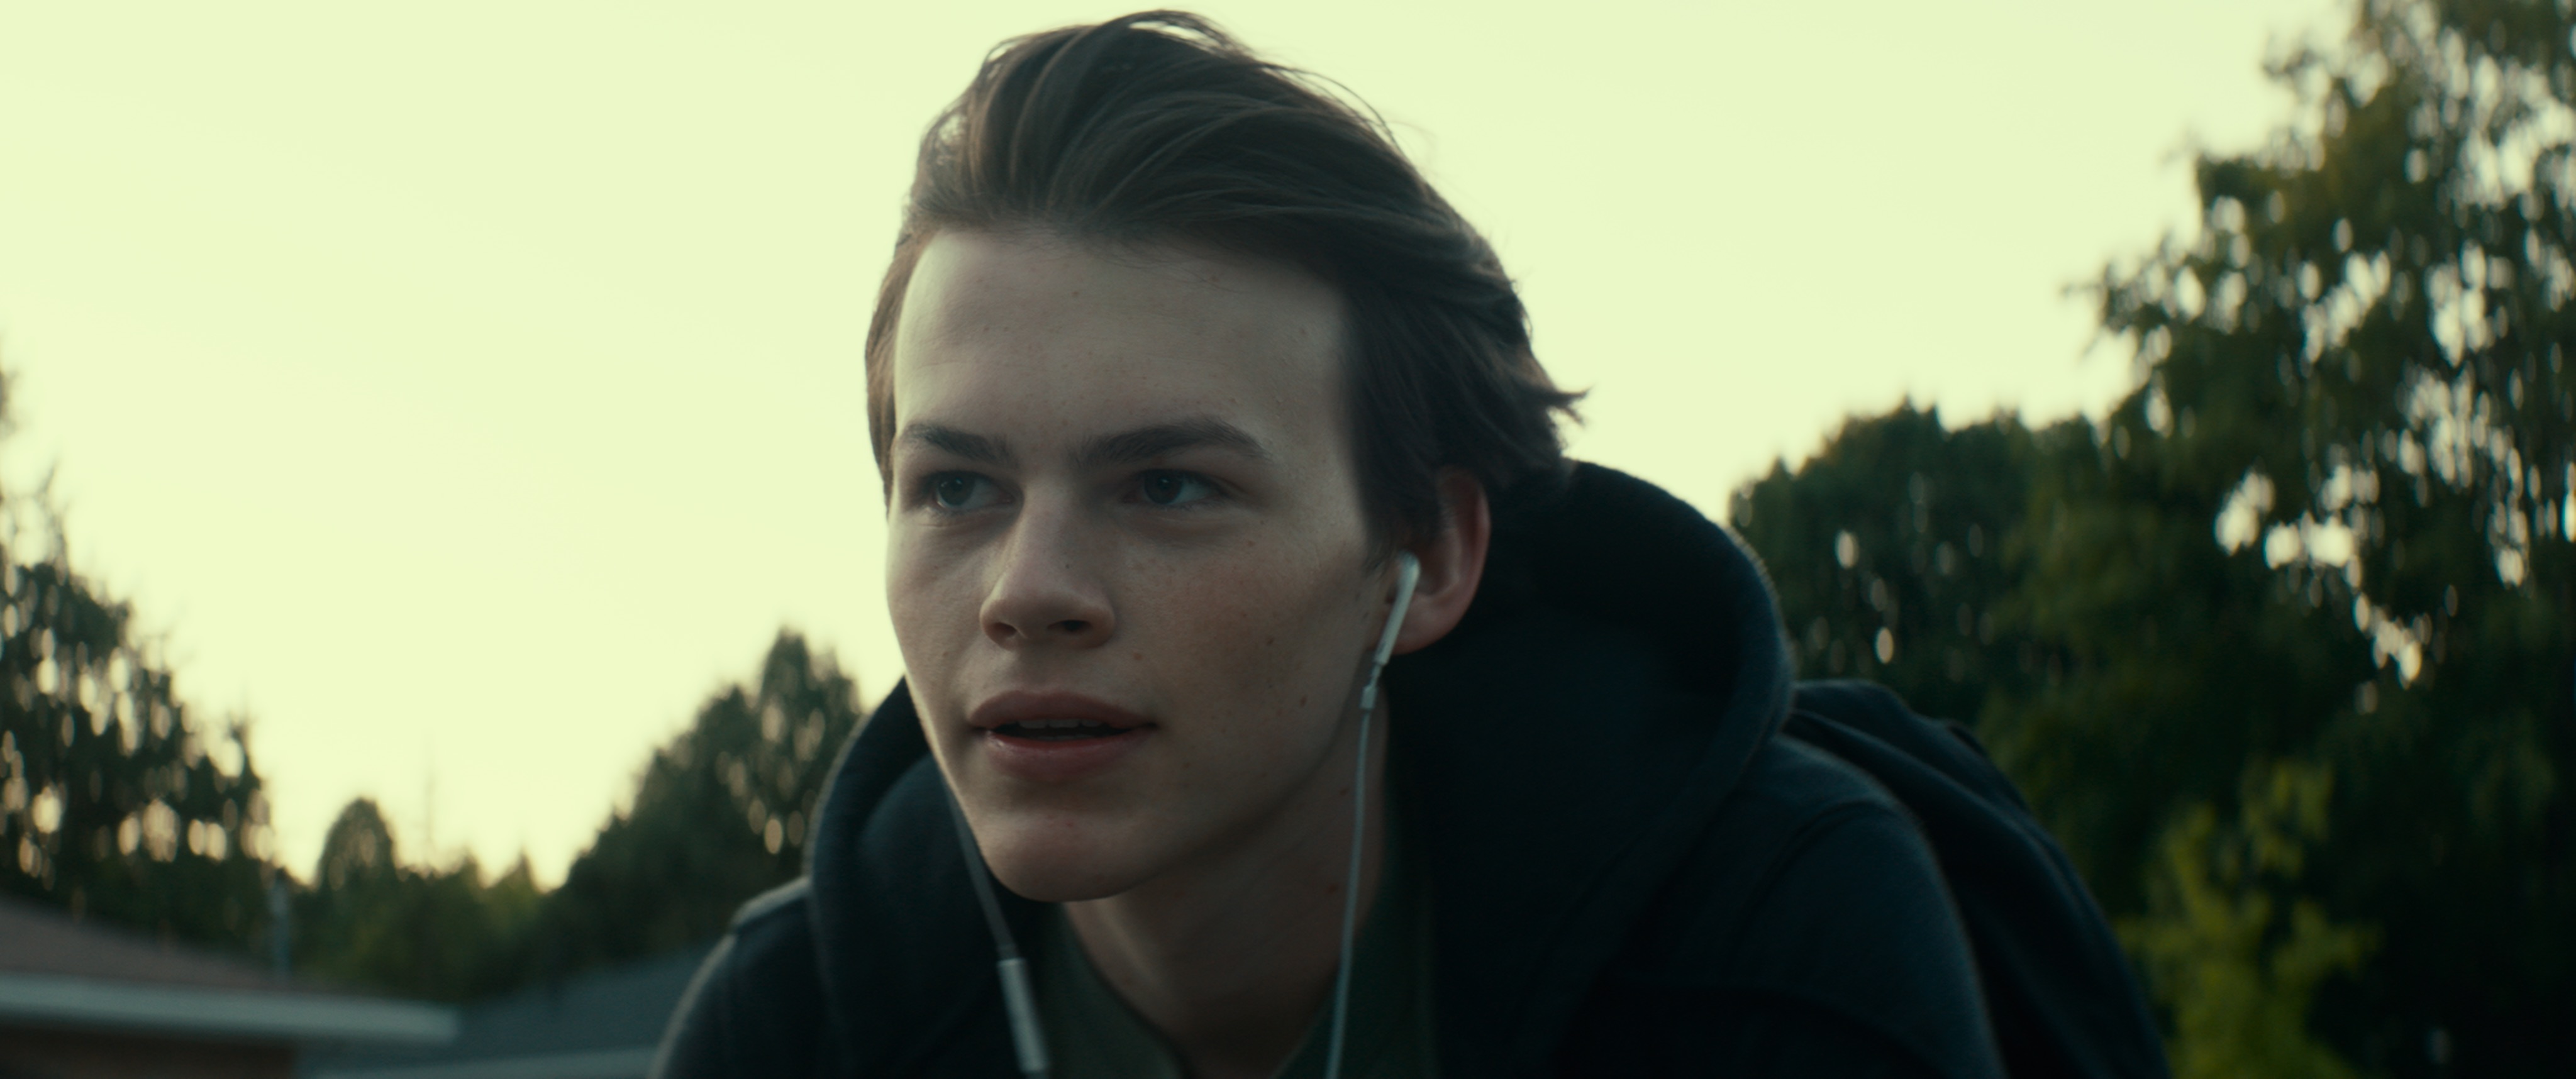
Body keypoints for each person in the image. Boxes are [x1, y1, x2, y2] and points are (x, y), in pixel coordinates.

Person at [656, 11, 2160, 1078]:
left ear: (1427, 554)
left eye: (1166, 487)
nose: (1028, 593)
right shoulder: (787, 1033)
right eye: (955, 490)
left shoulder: (1772, 949)